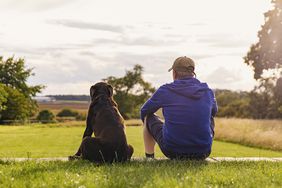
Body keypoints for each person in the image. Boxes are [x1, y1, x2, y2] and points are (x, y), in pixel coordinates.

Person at [140, 56, 217, 160]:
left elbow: (144, 111)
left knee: (148, 116)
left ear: (174, 73)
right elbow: (214, 111)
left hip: (172, 151)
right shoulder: (207, 91)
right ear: (193, 73)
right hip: (203, 152)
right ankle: (199, 145)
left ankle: (149, 158)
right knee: (210, 117)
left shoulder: (165, 90)